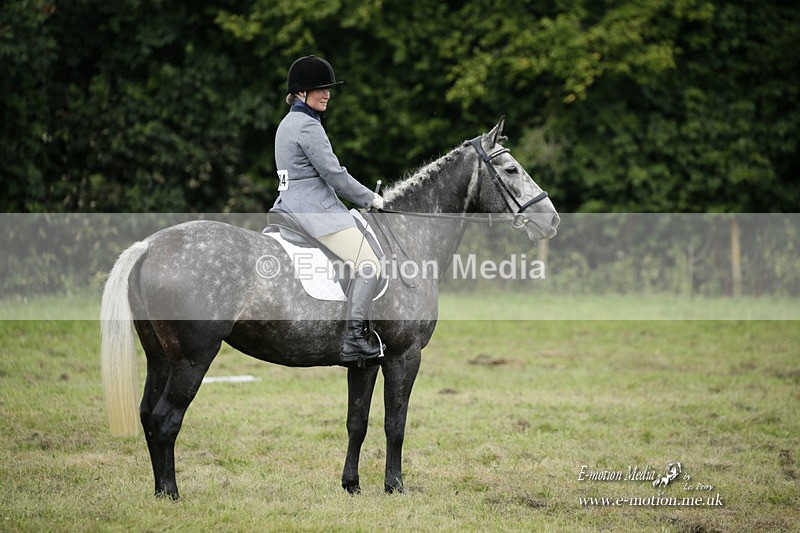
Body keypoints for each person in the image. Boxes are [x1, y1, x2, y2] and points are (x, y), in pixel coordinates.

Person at [273, 55, 385, 366]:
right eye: (320, 89)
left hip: (288, 206)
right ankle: (354, 339)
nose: (327, 94)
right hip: (314, 212)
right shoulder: (308, 126)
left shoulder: (286, 124)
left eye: (328, 89)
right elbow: (334, 175)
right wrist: (370, 200)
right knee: (369, 264)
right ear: (300, 93)